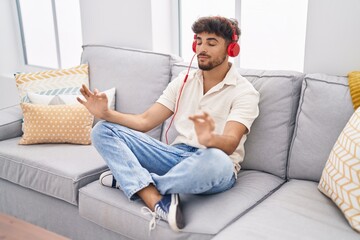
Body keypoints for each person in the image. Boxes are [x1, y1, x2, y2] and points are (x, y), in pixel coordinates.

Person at [77, 16, 260, 232]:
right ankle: (154, 197)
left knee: (217, 160)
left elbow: (230, 142)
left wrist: (210, 139)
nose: (202, 48)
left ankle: (133, 181)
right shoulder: (183, 80)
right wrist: (107, 113)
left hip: (213, 163)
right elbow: (145, 121)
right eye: (198, 41)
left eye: (211, 43)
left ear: (231, 48)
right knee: (103, 130)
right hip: (173, 157)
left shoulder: (245, 92)